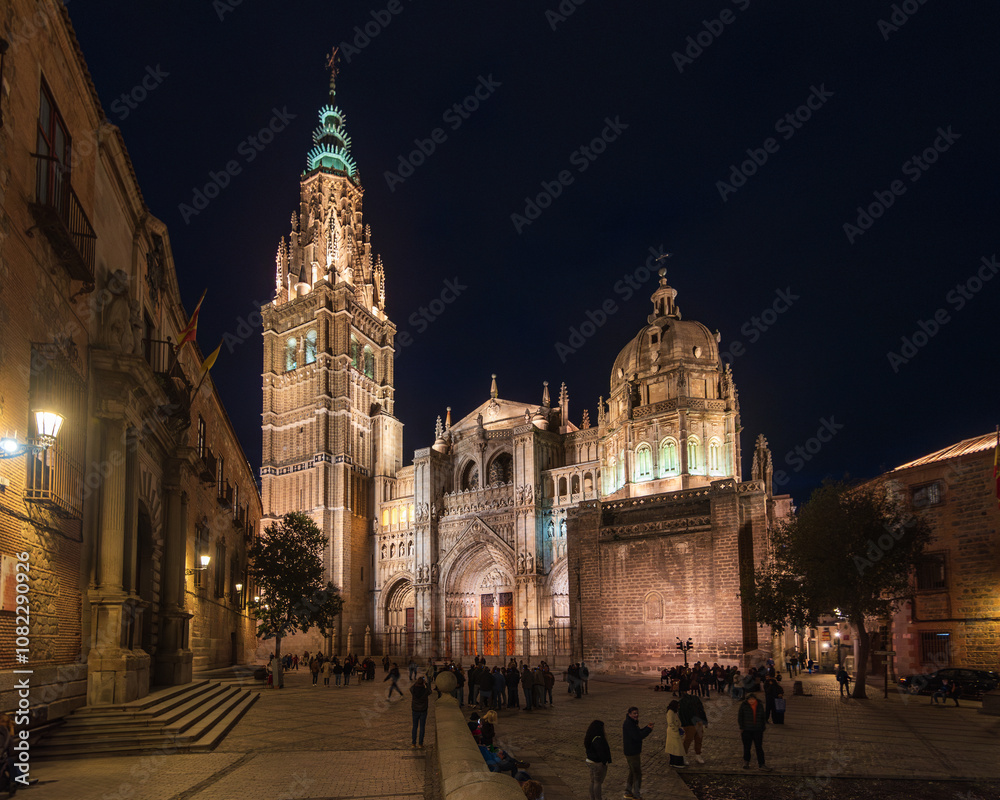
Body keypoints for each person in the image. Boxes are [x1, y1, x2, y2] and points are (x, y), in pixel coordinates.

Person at [622, 706, 653, 800]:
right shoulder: (629, 724)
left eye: (637, 713)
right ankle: (636, 794)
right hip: (632, 752)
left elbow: (638, 732)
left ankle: (628, 791)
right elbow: (637, 736)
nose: (636, 715)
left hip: (632, 751)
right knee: (637, 773)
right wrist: (648, 730)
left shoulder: (632, 722)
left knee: (632, 771)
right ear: (629, 714)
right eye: (634, 713)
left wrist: (647, 728)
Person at [737, 692, 772, 771]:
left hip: (758, 730)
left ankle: (762, 764)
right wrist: (742, 727)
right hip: (746, 730)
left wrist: (762, 727)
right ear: (747, 700)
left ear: (755, 699)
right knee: (747, 747)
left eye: (753, 699)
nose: (751, 701)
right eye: (750, 699)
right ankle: (746, 761)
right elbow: (740, 717)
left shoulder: (759, 705)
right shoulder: (743, 705)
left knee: (759, 747)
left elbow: (763, 717)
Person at [584, 719, 612, 800]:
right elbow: (601, 752)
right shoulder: (598, 739)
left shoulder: (590, 736)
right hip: (596, 763)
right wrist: (604, 762)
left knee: (593, 781)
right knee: (597, 782)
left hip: (590, 761)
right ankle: (598, 798)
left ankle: (592, 797)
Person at [678, 689, 706, 764]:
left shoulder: (685, 701)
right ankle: (684, 756)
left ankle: (697, 755)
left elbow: (701, 710)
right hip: (691, 723)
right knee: (689, 739)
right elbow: (701, 710)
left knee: (696, 739)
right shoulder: (685, 701)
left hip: (695, 722)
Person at [410, 675, 433, 747]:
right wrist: (426, 684)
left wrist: (416, 682)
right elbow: (430, 691)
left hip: (415, 709)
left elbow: (411, 688)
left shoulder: (413, 690)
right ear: (423, 683)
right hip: (423, 710)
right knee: (422, 727)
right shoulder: (425, 691)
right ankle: (420, 743)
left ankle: (413, 743)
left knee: (415, 726)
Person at [664, 700, 686, 769]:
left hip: (674, 731)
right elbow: (670, 723)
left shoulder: (674, 712)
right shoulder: (671, 712)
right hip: (673, 732)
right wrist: (676, 729)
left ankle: (673, 761)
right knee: (677, 748)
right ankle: (677, 762)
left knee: (674, 748)